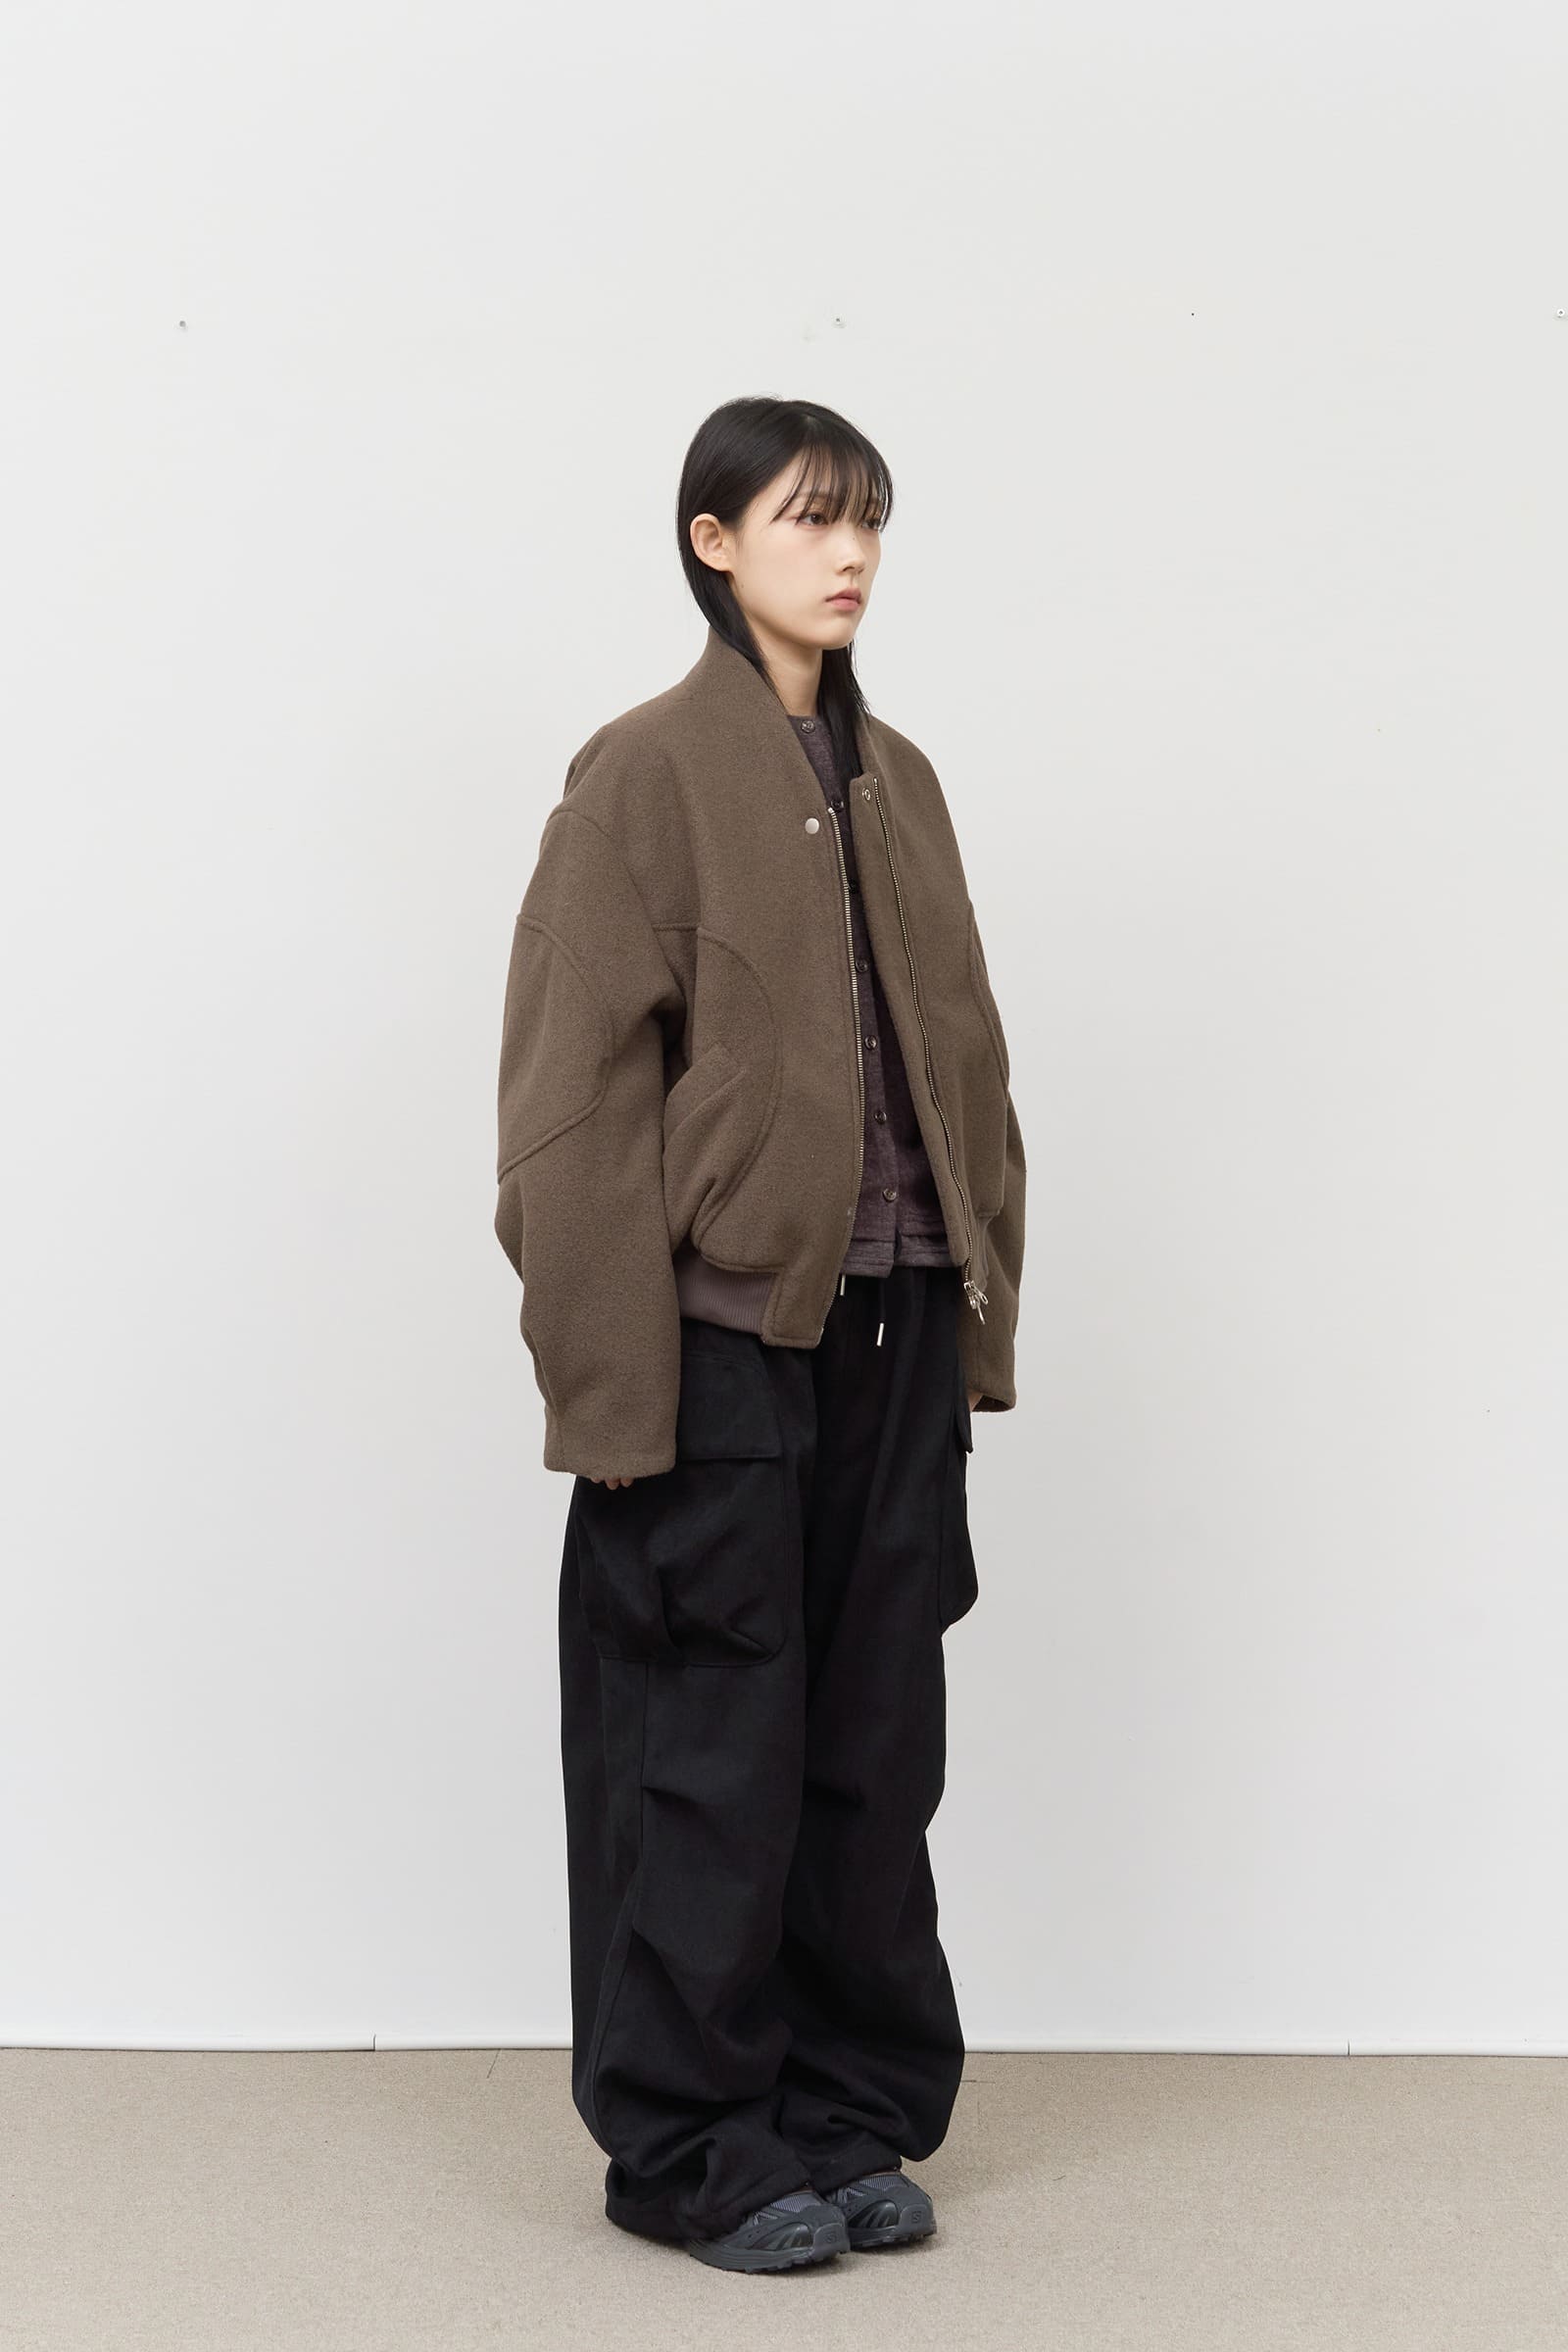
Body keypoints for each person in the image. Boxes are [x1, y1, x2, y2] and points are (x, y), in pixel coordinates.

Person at [493, 395, 1026, 2273]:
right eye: (809, 517)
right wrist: (611, 1391)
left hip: (895, 1329)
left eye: (867, 518)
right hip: (721, 1348)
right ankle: (692, 2144)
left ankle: (847, 2111)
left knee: (873, 1747)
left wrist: (978, 1312)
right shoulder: (645, 773)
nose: (851, 552)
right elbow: (566, 1112)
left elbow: (966, 1062)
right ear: (713, 542)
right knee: (706, 1747)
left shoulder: (904, 779)